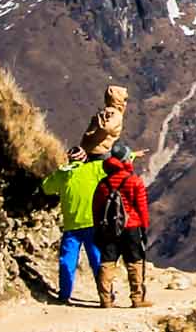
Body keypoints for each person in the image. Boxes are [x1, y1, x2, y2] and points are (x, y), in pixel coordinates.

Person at [44, 145, 114, 307]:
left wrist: (58, 173)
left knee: (67, 260)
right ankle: (106, 296)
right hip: (92, 223)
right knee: (97, 260)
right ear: (85, 159)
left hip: (71, 225)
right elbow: (115, 164)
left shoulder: (62, 175)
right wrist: (132, 155)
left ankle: (64, 295)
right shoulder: (94, 169)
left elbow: (46, 187)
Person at [101, 141, 153, 307]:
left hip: (109, 229)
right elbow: (142, 207)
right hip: (131, 227)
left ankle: (105, 299)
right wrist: (144, 226)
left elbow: (97, 207)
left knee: (107, 262)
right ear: (125, 161)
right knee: (134, 262)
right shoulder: (134, 181)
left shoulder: (104, 183)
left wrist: (99, 226)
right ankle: (137, 298)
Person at [78, 85, 131, 158]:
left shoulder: (105, 112)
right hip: (100, 151)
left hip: (88, 148)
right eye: (124, 99)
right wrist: (96, 139)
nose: (125, 103)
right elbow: (106, 128)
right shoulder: (116, 115)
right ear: (118, 100)